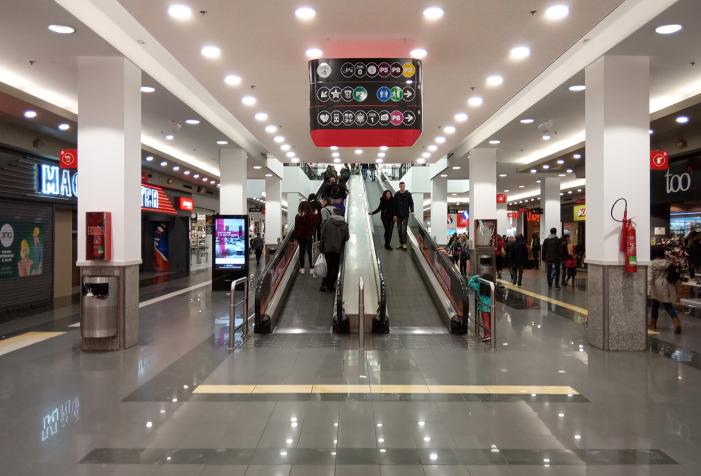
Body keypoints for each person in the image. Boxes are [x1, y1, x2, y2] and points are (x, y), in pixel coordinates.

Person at [648, 245, 681, 334]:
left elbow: (649, 279)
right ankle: (676, 323)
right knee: (668, 306)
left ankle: (653, 324)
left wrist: (647, 291)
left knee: (655, 305)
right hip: (668, 286)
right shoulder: (668, 262)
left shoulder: (652, 264)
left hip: (657, 286)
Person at [320, 207, 350, 292]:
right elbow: (347, 237)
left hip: (327, 249)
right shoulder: (344, 224)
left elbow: (322, 237)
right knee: (334, 268)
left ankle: (323, 285)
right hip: (338, 250)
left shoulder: (327, 223)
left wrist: (321, 248)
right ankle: (330, 286)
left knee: (326, 267)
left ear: (333, 214)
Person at [468, 272, 494, 342]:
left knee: (485, 321)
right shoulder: (492, 287)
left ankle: (486, 335)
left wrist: (477, 276)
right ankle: (491, 334)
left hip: (483, 307)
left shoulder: (479, 286)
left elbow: (470, 283)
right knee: (491, 321)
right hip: (491, 306)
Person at [294, 201, 317, 275]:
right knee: (310, 251)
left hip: (301, 236)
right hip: (309, 235)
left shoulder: (298, 216)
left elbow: (296, 228)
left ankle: (302, 268)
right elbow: (313, 226)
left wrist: (296, 237)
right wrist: (313, 235)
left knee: (302, 252)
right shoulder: (311, 215)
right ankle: (311, 268)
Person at [393, 181, 414, 250]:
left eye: (403, 186)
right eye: (401, 186)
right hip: (398, 215)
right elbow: (394, 205)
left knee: (404, 229)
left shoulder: (408, 194)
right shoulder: (396, 194)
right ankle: (401, 243)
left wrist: (412, 210)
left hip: (405, 214)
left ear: (404, 186)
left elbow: (411, 203)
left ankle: (404, 244)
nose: (402, 187)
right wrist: (395, 215)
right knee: (399, 230)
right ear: (399, 187)